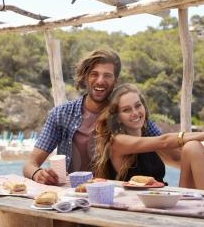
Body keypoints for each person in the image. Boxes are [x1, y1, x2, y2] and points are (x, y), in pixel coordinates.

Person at [23, 49, 162, 185]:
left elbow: (166, 146)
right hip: (72, 197)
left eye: (107, 75)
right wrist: (38, 174)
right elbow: (30, 164)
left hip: (112, 198)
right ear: (85, 77)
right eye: (94, 74)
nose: (100, 81)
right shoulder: (61, 114)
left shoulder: (127, 112)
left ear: (116, 81)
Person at [93, 83, 204, 191]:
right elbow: (165, 141)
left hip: (163, 200)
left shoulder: (149, 137)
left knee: (192, 147)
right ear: (118, 117)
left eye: (138, 105)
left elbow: (179, 159)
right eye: (126, 109)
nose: (135, 112)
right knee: (192, 144)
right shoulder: (117, 141)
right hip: (136, 207)